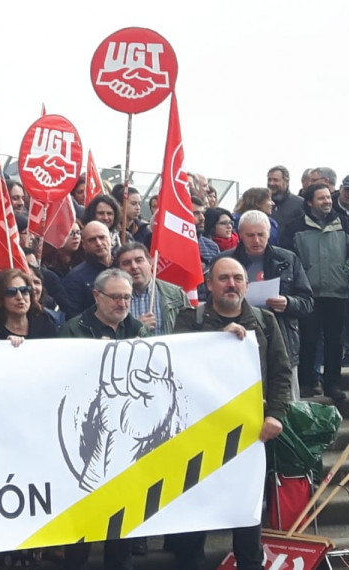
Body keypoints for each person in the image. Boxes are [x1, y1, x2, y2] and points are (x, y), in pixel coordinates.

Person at [166, 257, 292, 570]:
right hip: (198, 437)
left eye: (237, 278)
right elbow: (175, 368)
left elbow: (281, 373)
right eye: (223, 278)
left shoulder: (264, 321)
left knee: (247, 521)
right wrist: (222, 337)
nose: (231, 284)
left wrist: (276, 414)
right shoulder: (189, 318)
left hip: (250, 436)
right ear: (209, 284)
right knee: (193, 525)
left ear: (247, 285)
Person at [58, 268, 151, 570]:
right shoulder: (74, 329)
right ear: (97, 296)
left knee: (122, 524)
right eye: (116, 297)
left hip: (126, 440)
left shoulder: (138, 330)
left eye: (127, 297)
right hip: (84, 437)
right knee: (80, 527)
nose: (122, 303)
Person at [218, 210, 312, 399]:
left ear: (268, 234)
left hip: (282, 339)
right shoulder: (225, 261)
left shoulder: (288, 259)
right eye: (250, 235)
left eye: (261, 234)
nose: (256, 240)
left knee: (286, 401)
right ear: (240, 234)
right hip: (239, 339)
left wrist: (288, 302)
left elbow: (307, 301)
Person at [280, 182, 349, 401]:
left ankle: (332, 383)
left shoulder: (346, 225)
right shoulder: (294, 227)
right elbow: (288, 258)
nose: (327, 202)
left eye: (328, 198)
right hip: (307, 295)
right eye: (321, 198)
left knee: (334, 341)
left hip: (336, 292)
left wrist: (345, 274)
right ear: (310, 202)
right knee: (308, 340)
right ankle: (308, 382)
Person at [115, 242, 190, 337]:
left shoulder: (175, 294)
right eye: (127, 263)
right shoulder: (112, 299)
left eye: (139, 260)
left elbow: (190, 331)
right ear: (119, 269)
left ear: (150, 263)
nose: (134, 266)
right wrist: (135, 327)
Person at [0, 269, 59, 340]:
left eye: (24, 290)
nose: (20, 297)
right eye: (11, 292)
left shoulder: (44, 321)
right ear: (0, 297)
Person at [62, 221, 114, 317]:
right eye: (92, 240)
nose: (98, 243)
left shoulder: (125, 266)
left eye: (102, 237)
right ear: (84, 245)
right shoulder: (75, 278)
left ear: (110, 238)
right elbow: (74, 318)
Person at [191, 196, 222, 266]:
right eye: (195, 213)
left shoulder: (212, 247)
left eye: (202, 213)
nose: (202, 218)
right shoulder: (171, 246)